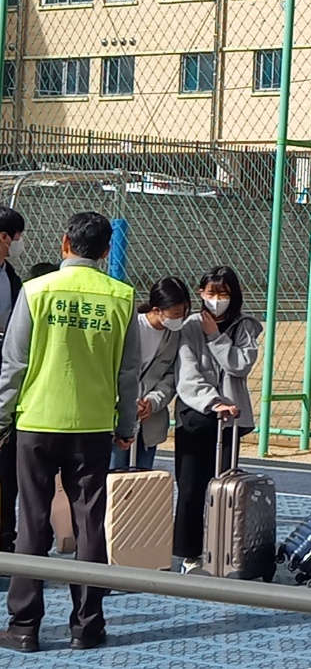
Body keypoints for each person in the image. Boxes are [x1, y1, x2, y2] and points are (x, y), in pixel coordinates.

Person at [0, 211, 137, 653]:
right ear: (104, 251)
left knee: (32, 520)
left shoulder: (35, 290)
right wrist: (125, 425)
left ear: (64, 244)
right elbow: (128, 372)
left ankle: (24, 626)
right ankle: (88, 624)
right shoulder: (120, 296)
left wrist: (2, 417)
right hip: (93, 423)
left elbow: (14, 364)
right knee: (89, 521)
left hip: (37, 420)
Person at [172, 266, 262, 573]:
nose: (215, 300)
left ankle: (223, 548)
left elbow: (239, 365)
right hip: (196, 414)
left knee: (224, 485)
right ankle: (189, 554)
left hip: (231, 419)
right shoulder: (189, 325)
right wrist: (213, 401)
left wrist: (215, 338)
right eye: (210, 293)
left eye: (222, 293)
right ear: (200, 294)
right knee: (191, 484)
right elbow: (187, 373)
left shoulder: (245, 326)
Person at [112, 277, 190, 471]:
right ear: (156, 310)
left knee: (142, 484)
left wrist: (153, 402)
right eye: (175, 313)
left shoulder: (175, 334)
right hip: (116, 417)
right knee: (112, 480)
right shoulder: (129, 327)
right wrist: (127, 402)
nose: (181, 318)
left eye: (185, 312)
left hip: (149, 422)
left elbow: (171, 375)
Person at [0, 204, 25, 556]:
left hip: (6, 379)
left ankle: (5, 539)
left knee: (6, 470)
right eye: (18, 236)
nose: (21, 242)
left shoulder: (13, 278)